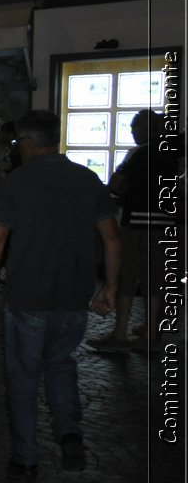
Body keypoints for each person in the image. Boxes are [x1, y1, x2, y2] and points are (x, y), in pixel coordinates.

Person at [0, 109, 120, 475]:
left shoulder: (16, 182)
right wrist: (110, 287)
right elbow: (111, 237)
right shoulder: (87, 179)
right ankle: (70, 432)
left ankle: (25, 456)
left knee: (23, 374)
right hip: (73, 293)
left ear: (26, 142)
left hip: (27, 293)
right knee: (60, 364)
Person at [90, 109, 177, 354]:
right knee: (156, 279)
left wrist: (125, 191)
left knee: (127, 276)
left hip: (137, 221)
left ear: (145, 128)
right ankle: (151, 333)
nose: (131, 132)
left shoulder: (139, 153)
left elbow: (116, 184)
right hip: (165, 223)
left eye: (133, 127)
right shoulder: (172, 153)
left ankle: (120, 333)